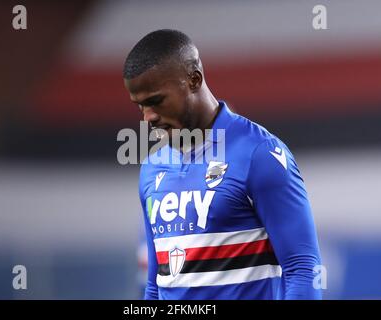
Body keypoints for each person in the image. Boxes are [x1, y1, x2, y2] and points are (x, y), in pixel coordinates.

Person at [123, 29, 322, 300]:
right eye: (140, 106)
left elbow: (302, 268)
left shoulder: (260, 153)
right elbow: (156, 285)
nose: (148, 118)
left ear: (193, 80)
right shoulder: (151, 168)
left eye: (155, 101)